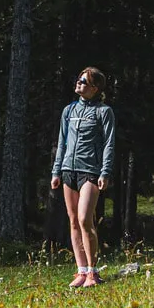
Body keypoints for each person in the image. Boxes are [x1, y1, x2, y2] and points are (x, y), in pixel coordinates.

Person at [50, 67, 115, 288]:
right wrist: (56, 171)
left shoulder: (103, 112)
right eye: (78, 80)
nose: (79, 83)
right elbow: (62, 142)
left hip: (91, 171)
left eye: (84, 81)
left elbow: (109, 144)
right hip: (68, 170)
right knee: (73, 221)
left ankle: (93, 273)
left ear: (94, 88)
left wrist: (105, 172)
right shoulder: (68, 110)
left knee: (85, 219)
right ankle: (81, 271)